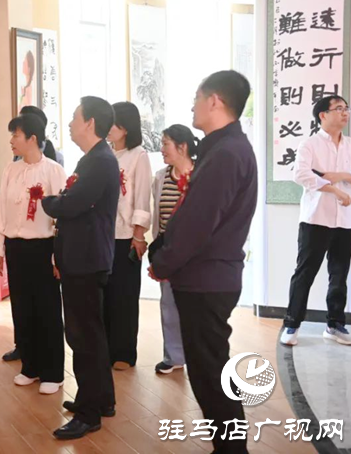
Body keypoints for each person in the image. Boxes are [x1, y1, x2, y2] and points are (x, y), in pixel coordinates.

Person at [149, 70, 256, 454]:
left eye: (196, 97)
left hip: (207, 279)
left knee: (210, 374)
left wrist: (163, 261)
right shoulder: (223, 148)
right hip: (207, 276)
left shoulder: (226, 153)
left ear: (215, 101)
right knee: (210, 370)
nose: (192, 105)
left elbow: (198, 223)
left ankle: (232, 450)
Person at [42, 96, 119, 440]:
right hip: (83, 258)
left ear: (90, 123)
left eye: (75, 118)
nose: (71, 124)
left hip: (86, 261)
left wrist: (49, 201)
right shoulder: (92, 159)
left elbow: (71, 204)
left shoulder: (100, 161)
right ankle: (101, 399)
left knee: (83, 336)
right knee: (90, 333)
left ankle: (89, 413)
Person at [0, 114, 67, 394]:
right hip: (15, 247)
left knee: (47, 309)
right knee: (22, 308)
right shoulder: (11, 170)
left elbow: (62, 216)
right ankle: (30, 367)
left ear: (32, 138)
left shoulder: (53, 170)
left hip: (43, 248)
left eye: (16, 135)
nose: (11, 141)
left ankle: (53, 373)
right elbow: (2, 211)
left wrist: (58, 256)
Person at [280, 95, 351, 346]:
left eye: (346, 109)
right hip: (316, 219)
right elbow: (301, 174)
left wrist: (339, 175)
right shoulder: (310, 144)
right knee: (305, 273)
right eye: (339, 109)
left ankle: (335, 325)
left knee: (339, 275)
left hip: (346, 220)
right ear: (323, 115)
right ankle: (291, 324)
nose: (345, 113)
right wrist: (335, 189)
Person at [103, 101, 152, 371]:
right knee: (105, 295)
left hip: (126, 236)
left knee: (124, 296)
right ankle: (106, 348)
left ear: (126, 127)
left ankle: (124, 352)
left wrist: (139, 235)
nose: (109, 128)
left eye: (114, 123)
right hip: (103, 235)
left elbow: (142, 198)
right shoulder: (106, 154)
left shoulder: (138, 156)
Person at [150, 125, 198, 375]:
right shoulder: (161, 177)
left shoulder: (201, 174)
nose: (162, 149)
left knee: (196, 306)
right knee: (168, 303)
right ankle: (174, 356)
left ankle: (198, 355)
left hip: (195, 251)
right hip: (168, 250)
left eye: (166, 144)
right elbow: (158, 215)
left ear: (182, 147)